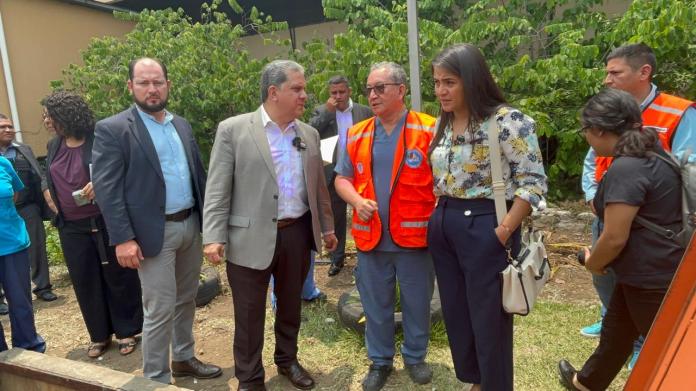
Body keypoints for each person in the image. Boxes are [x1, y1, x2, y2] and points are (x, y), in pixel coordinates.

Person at [203, 59, 337, 391]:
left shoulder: (308, 133)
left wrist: (328, 228)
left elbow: (319, 187)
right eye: (297, 88)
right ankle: (249, 377)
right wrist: (213, 236)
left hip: (296, 233)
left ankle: (287, 360)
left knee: (291, 304)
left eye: (304, 88)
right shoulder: (233, 130)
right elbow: (218, 188)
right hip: (248, 238)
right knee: (248, 315)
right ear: (274, 92)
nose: (305, 95)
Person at [92, 58, 220, 383]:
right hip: (152, 235)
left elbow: (198, 176)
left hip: (190, 225)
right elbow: (107, 190)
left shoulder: (182, 125)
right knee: (159, 309)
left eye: (158, 82)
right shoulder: (114, 129)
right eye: (144, 83)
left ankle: (183, 358)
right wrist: (122, 238)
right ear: (130, 86)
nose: (152, 89)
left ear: (168, 84)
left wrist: (210, 225)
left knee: (187, 298)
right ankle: (155, 380)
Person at [428, 44, 547, 391]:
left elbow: (533, 183)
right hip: (444, 220)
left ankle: (494, 385)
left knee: (488, 318)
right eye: (436, 82)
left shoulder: (508, 121)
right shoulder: (444, 121)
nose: (440, 91)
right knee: (456, 311)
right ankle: (475, 380)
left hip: (486, 224)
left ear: (472, 80)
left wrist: (505, 229)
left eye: (449, 82)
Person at [559, 88, 685, 391]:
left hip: (651, 279)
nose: (586, 137)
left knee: (666, 353)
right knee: (617, 332)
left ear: (599, 129)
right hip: (649, 271)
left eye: (585, 130)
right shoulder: (653, 151)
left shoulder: (627, 168)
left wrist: (594, 263)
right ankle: (586, 383)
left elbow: (614, 236)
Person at [580, 43, 695, 368]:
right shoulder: (612, 112)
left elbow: (688, 170)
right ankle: (606, 349)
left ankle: (645, 347)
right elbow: (593, 161)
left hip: (649, 228)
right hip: (612, 210)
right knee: (612, 284)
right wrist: (593, 196)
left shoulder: (678, 113)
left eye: (614, 72)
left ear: (643, 72)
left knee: (643, 296)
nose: (607, 79)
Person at [334, 62, 436, 391]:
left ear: (402, 90)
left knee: (417, 302)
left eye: (381, 88)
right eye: (369, 89)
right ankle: (380, 362)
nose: (373, 95)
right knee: (375, 305)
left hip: (415, 238)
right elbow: (341, 179)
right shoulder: (357, 132)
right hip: (372, 239)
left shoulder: (430, 130)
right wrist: (355, 201)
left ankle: (416, 357)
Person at [42, 91, 143, 359]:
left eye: (51, 116)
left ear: (66, 115)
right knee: (85, 279)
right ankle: (99, 335)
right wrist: (48, 193)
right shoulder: (54, 145)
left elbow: (123, 169)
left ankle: (127, 330)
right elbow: (47, 174)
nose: (47, 121)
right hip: (71, 226)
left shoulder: (99, 138)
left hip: (105, 219)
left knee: (118, 276)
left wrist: (101, 184)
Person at [309, 75, 373, 277]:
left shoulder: (364, 112)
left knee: (364, 214)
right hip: (333, 172)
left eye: (341, 92)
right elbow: (310, 132)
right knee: (336, 218)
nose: (338, 97)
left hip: (361, 172)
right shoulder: (323, 111)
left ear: (349, 91)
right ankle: (337, 259)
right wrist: (328, 112)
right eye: (334, 93)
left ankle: (366, 258)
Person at [0, 114, 57, 312]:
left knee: (37, 246)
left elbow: (39, 175)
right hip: (2, 213)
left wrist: (47, 199)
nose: (8, 130)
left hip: (26, 207)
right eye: (3, 127)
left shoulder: (23, 150)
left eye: (10, 126)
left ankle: (42, 287)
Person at [0, 155, 46, 353]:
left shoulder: (3, 163)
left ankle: (29, 348)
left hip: (12, 243)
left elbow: (16, 194)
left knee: (20, 301)